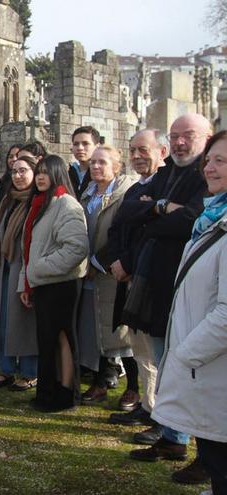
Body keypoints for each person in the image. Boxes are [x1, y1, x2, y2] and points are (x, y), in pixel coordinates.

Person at [121, 114, 211, 485]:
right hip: (158, 282)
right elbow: (131, 211)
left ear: (206, 138)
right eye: (173, 136)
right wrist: (161, 208)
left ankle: (205, 453)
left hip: (190, 286)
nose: (179, 143)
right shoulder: (167, 171)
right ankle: (172, 436)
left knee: (195, 371)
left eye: (187, 136)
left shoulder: (205, 173)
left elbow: (192, 219)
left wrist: (155, 209)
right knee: (164, 362)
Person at [152, 130, 227, 495]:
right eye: (209, 160)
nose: (209, 168)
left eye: (221, 161)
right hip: (206, 367)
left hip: (212, 365)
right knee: (215, 453)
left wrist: (185, 355)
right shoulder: (212, 219)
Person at [106, 129, 168, 427]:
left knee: (154, 349)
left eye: (143, 150)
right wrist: (118, 261)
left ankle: (158, 410)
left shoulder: (166, 184)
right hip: (129, 277)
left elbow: (152, 231)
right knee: (139, 346)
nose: (137, 156)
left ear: (162, 152)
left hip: (149, 276)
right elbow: (118, 227)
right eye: (132, 151)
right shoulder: (135, 190)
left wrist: (127, 262)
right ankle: (147, 403)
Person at [20, 155, 89, 413]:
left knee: (62, 338)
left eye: (46, 172)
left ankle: (65, 393)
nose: (40, 177)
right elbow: (28, 249)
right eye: (38, 172)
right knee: (47, 340)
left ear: (58, 174)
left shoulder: (66, 205)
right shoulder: (39, 204)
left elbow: (76, 248)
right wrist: (26, 283)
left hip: (62, 284)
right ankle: (47, 391)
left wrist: (38, 270)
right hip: (43, 283)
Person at [75, 146, 135, 405]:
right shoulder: (87, 194)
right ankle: (99, 382)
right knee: (95, 329)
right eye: (93, 163)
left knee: (121, 334)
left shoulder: (125, 194)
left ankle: (133, 387)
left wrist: (98, 262)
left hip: (113, 273)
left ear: (116, 166)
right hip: (87, 274)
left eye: (102, 162)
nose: (96, 167)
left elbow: (123, 234)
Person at [0, 156, 38, 391]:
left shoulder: (37, 201)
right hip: (3, 267)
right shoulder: (8, 201)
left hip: (23, 267)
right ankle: (6, 370)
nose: (18, 175)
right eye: (14, 171)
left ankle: (29, 372)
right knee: (2, 319)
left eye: (23, 171)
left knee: (23, 322)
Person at [69, 126, 100, 195]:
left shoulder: (101, 174)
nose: (80, 148)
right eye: (76, 144)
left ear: (97, 147)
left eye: (85, 144)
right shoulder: (67, 173)